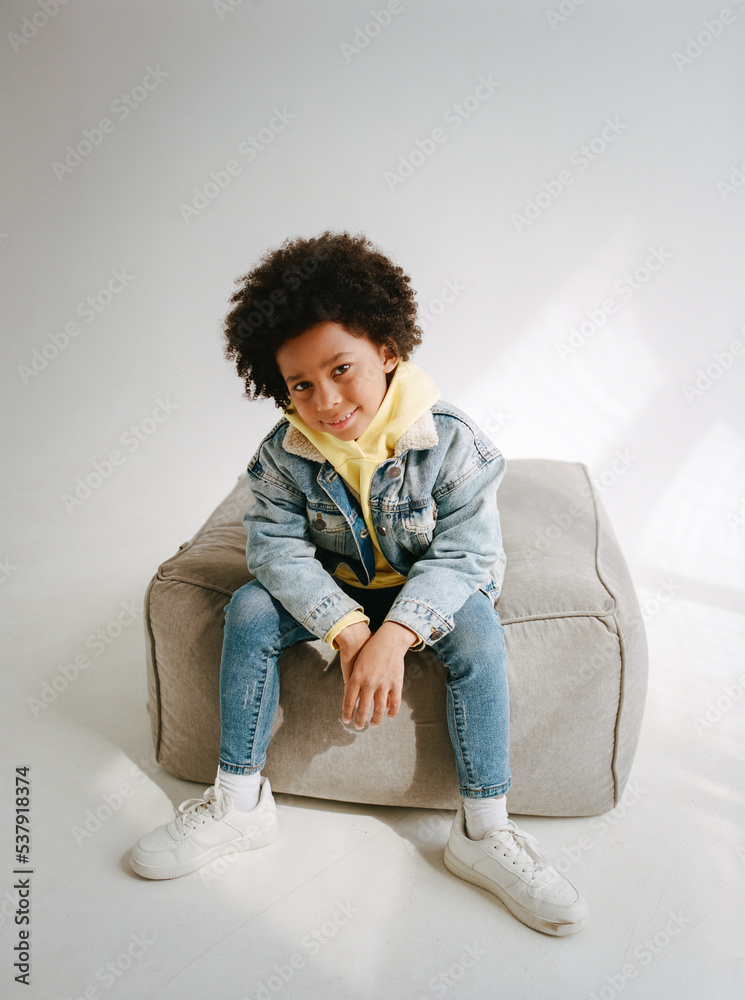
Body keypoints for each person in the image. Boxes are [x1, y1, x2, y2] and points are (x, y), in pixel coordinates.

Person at [129, 231, 588, 936]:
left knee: (478, 631)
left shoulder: (452, 441)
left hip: (428, 587)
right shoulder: (285, 455)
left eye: (342, 368)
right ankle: (238, 802)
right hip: (334, 583)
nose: (326, 399)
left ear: (388, 349)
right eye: (301, 385)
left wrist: (394, 637)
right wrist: (344, 629)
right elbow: (274, 549)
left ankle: (483, 829)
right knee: (250, 610)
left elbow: (465, 556)